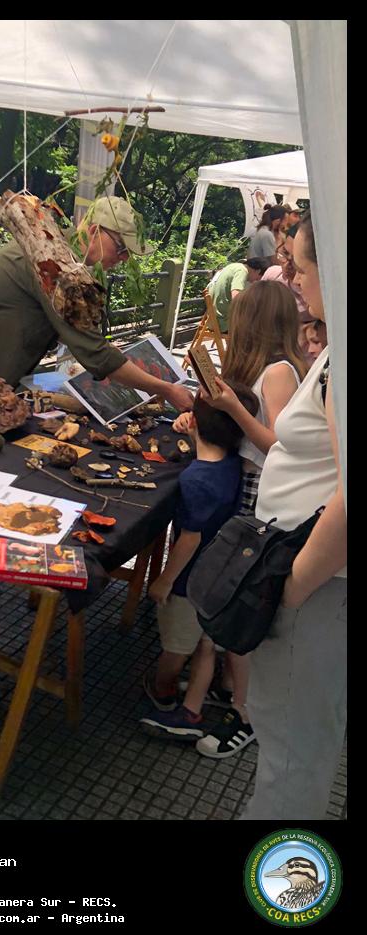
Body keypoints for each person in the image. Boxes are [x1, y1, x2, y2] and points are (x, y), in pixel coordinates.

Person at [167, 280, 308, 757]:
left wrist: (231, 408)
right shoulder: (263, 368)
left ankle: (244, 711)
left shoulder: (280, 372)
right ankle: (226, 683)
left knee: (237, 591)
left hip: (262, 493)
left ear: (257, 322)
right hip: (245, 483)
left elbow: (281, 447)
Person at [241, 211, 346, 819]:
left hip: (318, 584)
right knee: (300, 736)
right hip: (319, 582)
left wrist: (293, 587)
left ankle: (282, 870)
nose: (295, 279)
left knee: (292, 752)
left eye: (301, 267)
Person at [0, 196, 194, 415]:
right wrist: (166, 389)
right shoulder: (54, 263)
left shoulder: (57, 249)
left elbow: (78, 336)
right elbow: (95, 354)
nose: (124, 259)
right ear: (95, 231)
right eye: (121, 248)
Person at [138, 383, 259, 739]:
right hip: (219, 575)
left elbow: (189, 539)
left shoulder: (196, 479)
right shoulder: (233, 463)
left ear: (193, 422)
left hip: (188, 582)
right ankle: (190, 700)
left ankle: (163, 689)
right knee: (204, 643)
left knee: (177, 644)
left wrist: (164, 580)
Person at [262, 222, 316, 360]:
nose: (287, 264)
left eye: (295, 260)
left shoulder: (317, 293)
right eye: (284, 253)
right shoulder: (272, 277)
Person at [206, 257, 271, 334]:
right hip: (224, 323)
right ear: (258, 271)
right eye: (257, 279)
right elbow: (236, 296)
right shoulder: (242, 271)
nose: (254, 282)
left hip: (211, 320)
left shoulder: (232, 267)